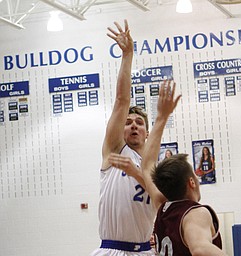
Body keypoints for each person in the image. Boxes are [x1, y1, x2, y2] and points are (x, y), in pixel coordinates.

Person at [90, 20, 155, 256]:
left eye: (139, 123)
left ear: (147, 133)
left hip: (147, 251)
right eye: (128, 123)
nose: (134, 126)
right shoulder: (115, 150)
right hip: (113, 250)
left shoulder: (154, 166)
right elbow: (121, 101)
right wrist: (127, 55)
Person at [141, 80, 225, 256]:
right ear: (191, 182)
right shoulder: (195, 213)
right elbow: (200, 249)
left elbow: (147, 164)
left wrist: (161, 118)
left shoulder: (162, 208)